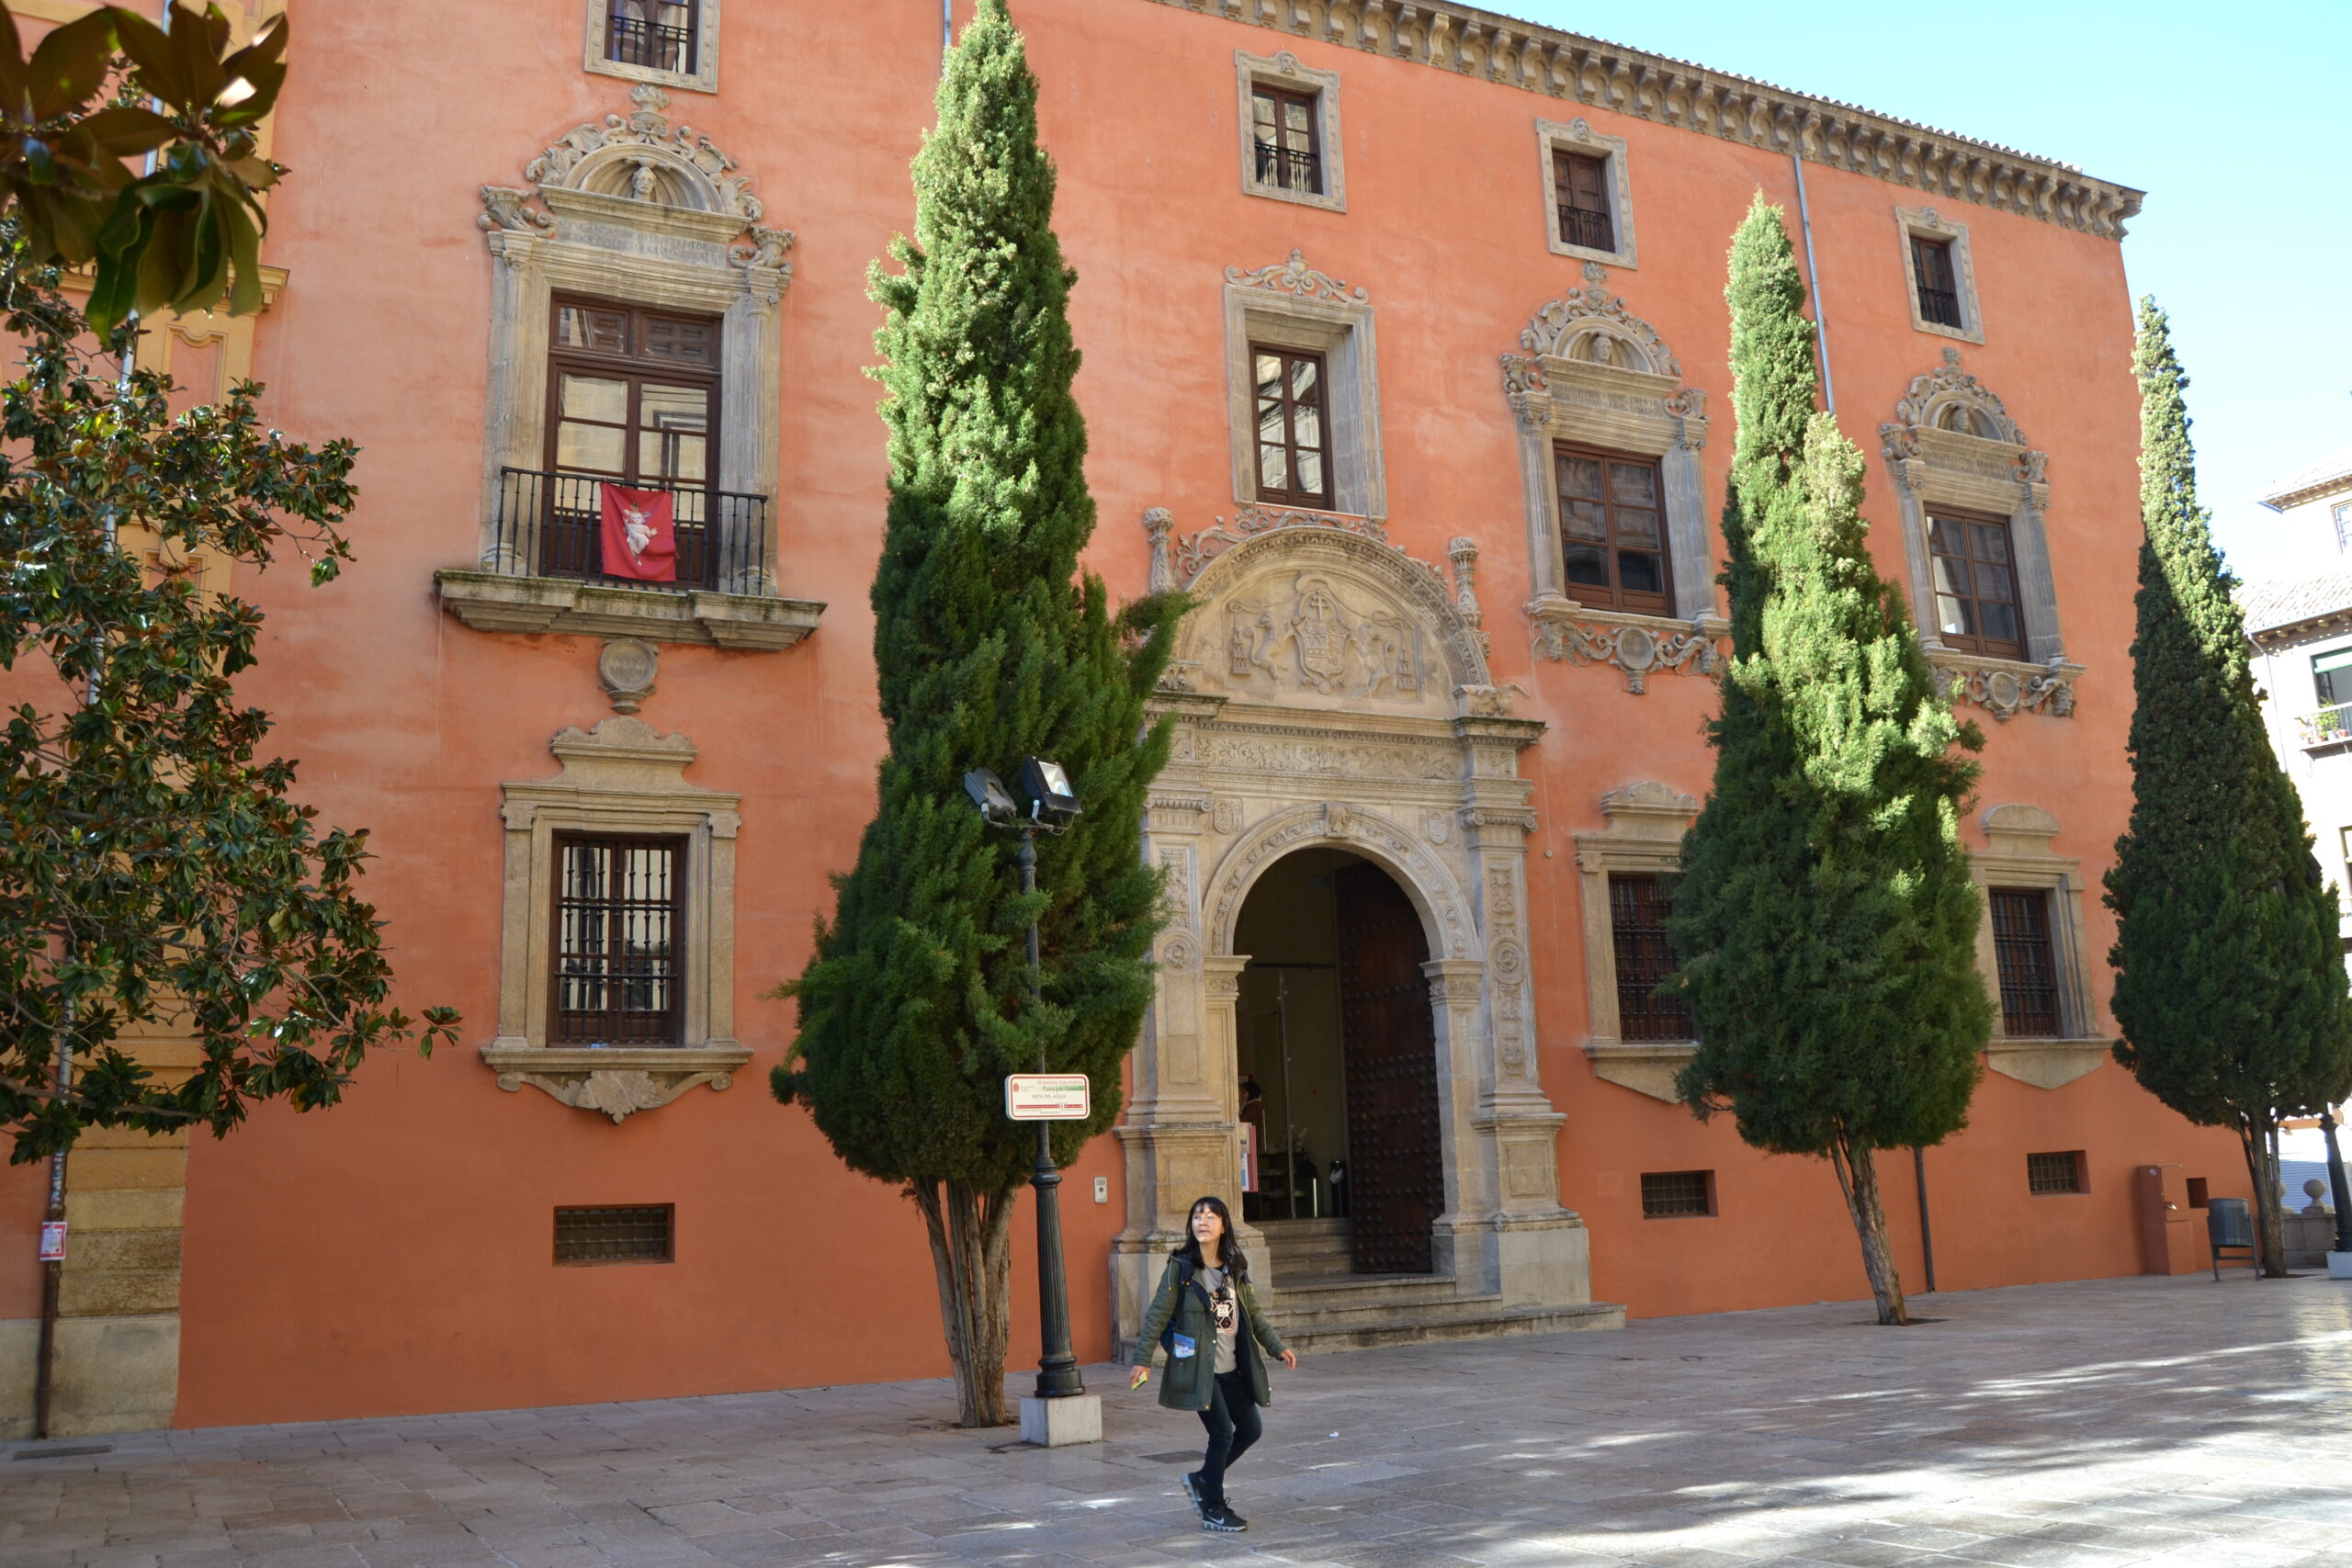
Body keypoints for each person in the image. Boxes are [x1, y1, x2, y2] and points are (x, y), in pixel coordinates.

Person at [1129, 1195, 1297, 1533]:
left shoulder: (1235, 1266)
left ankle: (1203, 1479)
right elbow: (1157, 1316)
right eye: (1196, 1216)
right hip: (1199, 1371)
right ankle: (1214, 1508)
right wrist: (1142, 1360)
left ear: (1223, 1225)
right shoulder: (1181, 1268)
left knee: (1251, 1429)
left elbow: (1254, 1314)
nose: (1202, 1221)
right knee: (1221, 1434)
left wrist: (1277, 1347)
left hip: (1233, 1368)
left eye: (1210, 1216)